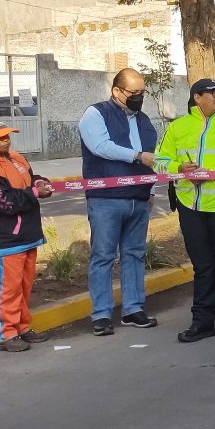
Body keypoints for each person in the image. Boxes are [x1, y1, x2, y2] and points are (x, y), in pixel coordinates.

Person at [155, 79, 215, 343]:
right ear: (197, 97)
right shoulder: (176, 128)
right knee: (203, 267)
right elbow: (160, 162)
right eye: (214, 94)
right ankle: (203, 322)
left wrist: (210, 172)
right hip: (191, 206)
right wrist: (179, 169)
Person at [78, 68, 159, 336]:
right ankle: (101, 314)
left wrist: (152, 191)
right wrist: (137, 156)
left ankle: (133, 309)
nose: (139, 97)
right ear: (116, 91)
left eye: (142, 92)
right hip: (106, 198)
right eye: (134, 93)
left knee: (135, 255)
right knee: (103, 256)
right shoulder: (96, 114)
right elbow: (100, 146)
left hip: (139, 198)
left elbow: (155, 159)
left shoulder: (144, 119)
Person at [0, 124, 54, 352]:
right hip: (8, 241)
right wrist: (34, 193)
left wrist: (40, 182)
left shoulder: (16, 158)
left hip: (28, 235)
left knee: (24, 286)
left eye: (7, 136)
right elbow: (5, 201)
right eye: (1, 138)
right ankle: (6, 333)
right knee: (8, 289)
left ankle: (21, 327)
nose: (6, 141)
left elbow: (31, 179)